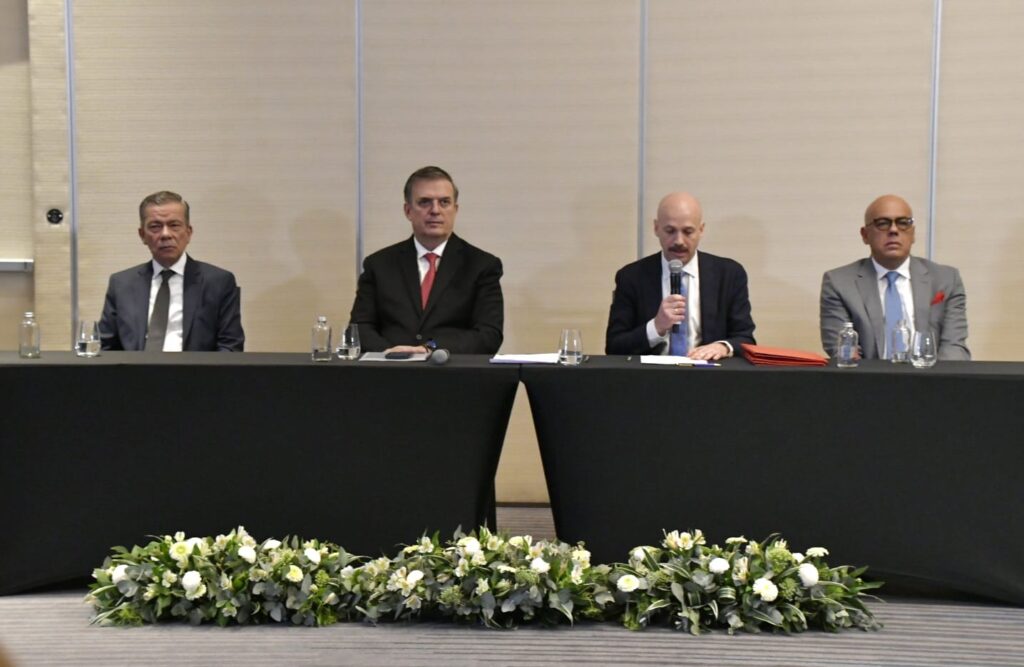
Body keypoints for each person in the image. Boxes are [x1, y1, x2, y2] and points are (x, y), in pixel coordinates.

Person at [350, 166, 504, 354]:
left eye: (444, 202)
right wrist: (392, 355)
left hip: (453, 375)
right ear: (408, 211)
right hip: (390, 375)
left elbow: (489, 335)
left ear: (455, 210)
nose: (435, 210)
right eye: (424, 202)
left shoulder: (482, 265)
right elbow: (359, 328)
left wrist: (429, 349)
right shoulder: (379, 265)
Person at [605, 192, 755, 359]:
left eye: (688, 232)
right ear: (656, 228)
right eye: (670, 231)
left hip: (710, 376)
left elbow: (745, 339)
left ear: (701, 230)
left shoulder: (729, 274)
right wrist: (656, 326)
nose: (679, 241)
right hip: (651, 378)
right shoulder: (631, 277)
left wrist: (723, 347)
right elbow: (614, 346)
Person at [819, 194, 969, 360]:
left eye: (903, 223)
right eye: (882, 223)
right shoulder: (839, 283)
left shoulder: (946, 280)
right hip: (867, 382)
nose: (893, 230)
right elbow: (844, 352)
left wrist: (932, 383)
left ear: (913, 234)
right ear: (865, 235)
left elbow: (954, 347)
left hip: (932, 380)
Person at [99, 191, 244, 351]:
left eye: (174, 225)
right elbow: (105, 347)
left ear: (188, 233)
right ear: (142, 235)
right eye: (155, 227)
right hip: (135, 374)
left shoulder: (219, 282)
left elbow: (230, 347)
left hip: (196, 374)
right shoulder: (122, 284)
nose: (165, 234)